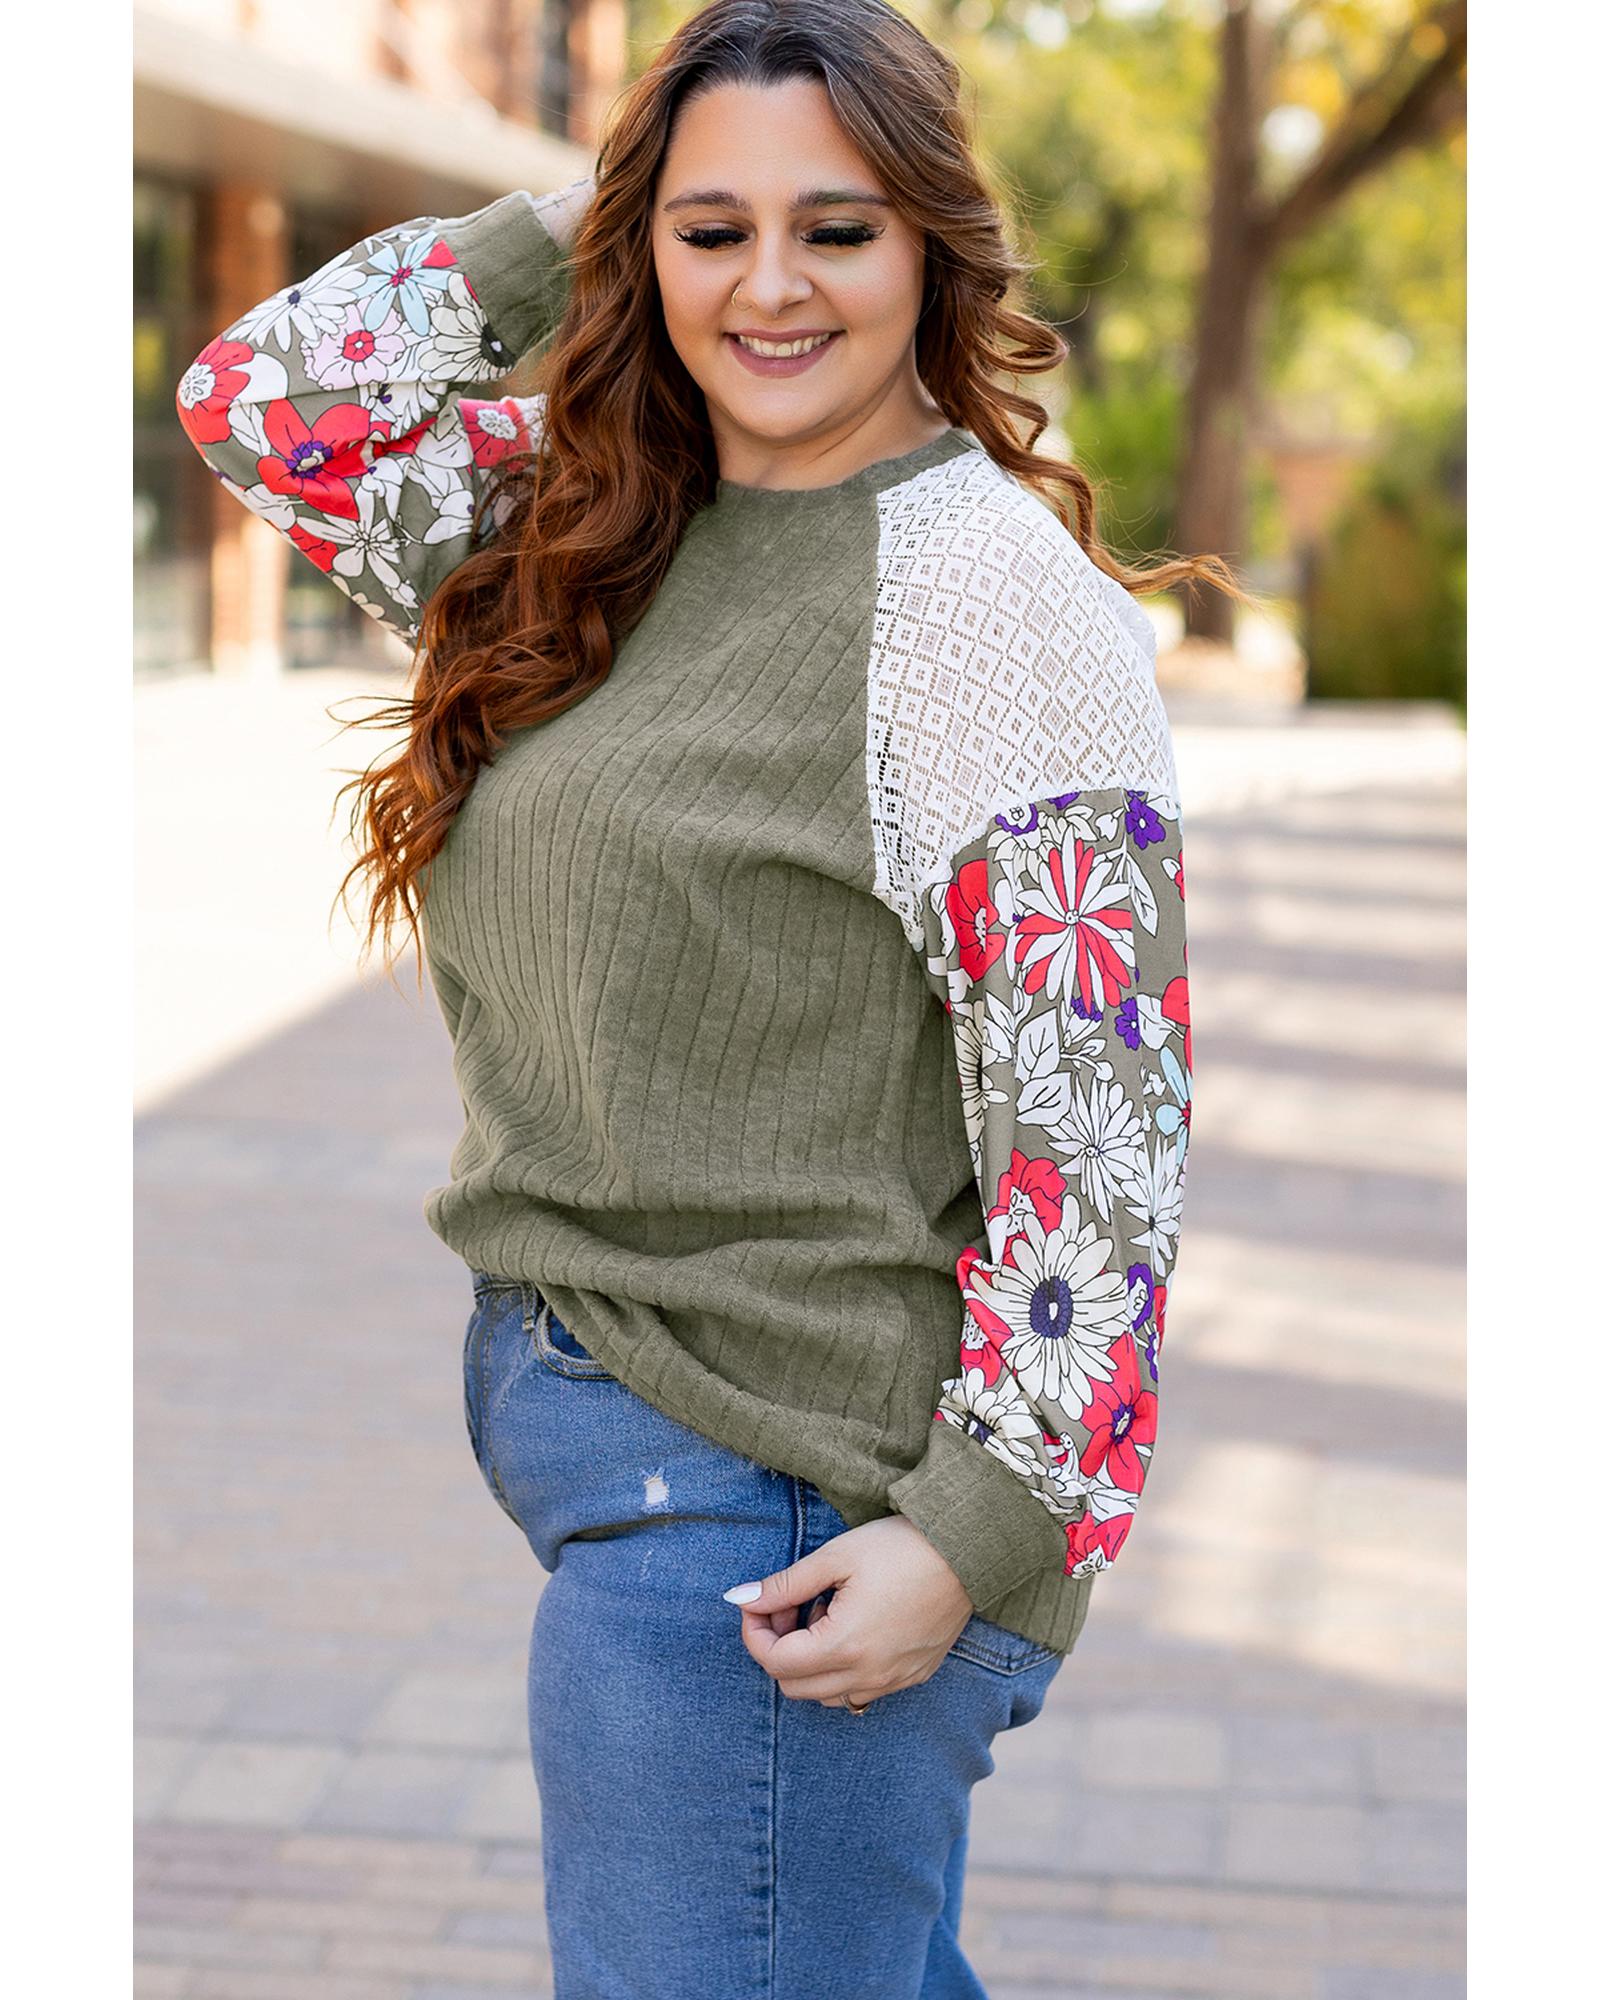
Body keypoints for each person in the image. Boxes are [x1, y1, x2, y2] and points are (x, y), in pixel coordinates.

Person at [176, 2, 1234, 1992]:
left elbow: (1097, 1128)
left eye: (837, 229)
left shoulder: (985, 598)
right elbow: (271, 401)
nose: (769, 286)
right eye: (709, 228)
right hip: (632, 1444)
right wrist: (583, 205)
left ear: (930, 246)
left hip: (783, 1513)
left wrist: (978, 1531)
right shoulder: (591, 527)